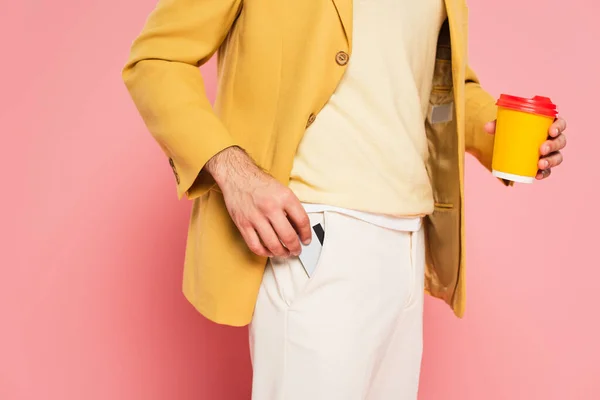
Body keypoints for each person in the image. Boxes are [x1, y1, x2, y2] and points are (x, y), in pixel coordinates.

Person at [122, 0, 567, 398]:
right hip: (314, 236)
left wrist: (502, 134)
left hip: (409, 242)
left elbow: (441, 85)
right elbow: (156, 60)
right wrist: (232, 170)